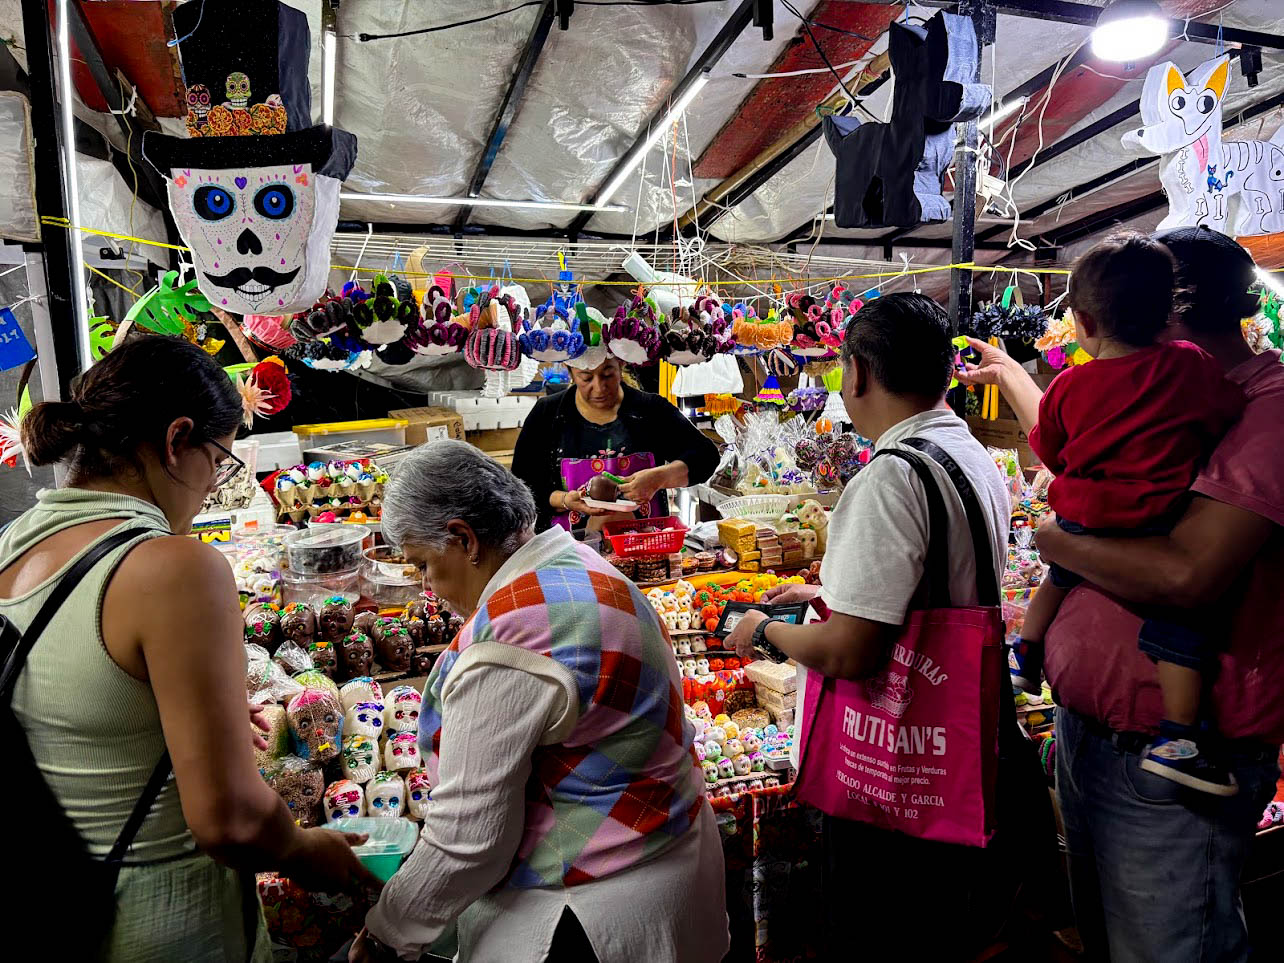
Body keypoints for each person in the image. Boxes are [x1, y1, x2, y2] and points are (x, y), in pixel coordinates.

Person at [959, 226, 1283, 961]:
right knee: (1109, 941)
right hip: (1089, 734)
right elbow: (1087, 429)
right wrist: (1014, 374)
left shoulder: (1262, 407)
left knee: (1168, 947)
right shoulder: (1179, 387)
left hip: (1181, 755)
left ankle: (1029, 650)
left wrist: (1058, 542)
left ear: (1170, 312)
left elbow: (1186, 575)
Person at [1, 337, 376, 961]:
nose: (213, 486)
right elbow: (232, 821)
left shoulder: (12, 546)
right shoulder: (175, 567)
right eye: (222, 461)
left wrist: (208, 722)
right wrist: (311, 853)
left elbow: (75, 714)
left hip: (45, 901)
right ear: (178, 441)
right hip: (157, 925)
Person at [726, 293, 1054, 956]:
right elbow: (942, 582)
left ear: (858, 373)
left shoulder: (889, 478)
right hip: (960, 745)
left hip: (898, 773)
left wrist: (764, 630)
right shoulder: (969, 453)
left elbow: (850, 650)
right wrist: (829, 590)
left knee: (888, 928)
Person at [351, 440, 728, 963]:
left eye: (423, 565)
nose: (427, 587)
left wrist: (388, 932)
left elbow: (469, 840)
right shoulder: (577, 563)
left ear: (463, 538)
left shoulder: (511, 642)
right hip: (671, 870)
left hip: (590, 913)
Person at [1009, 232, 1243, 795]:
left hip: (1083, 516)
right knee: (1181, 626)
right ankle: (1179, 737)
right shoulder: (1190, 367)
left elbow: (1050, 447)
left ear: (1083, 323)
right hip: (1151, 523)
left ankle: (1026, 653)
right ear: (1169, 314)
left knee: (1060, 573)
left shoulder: (1068, 385)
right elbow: (1225, 411)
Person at [511, 344, 718, 533]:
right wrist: (565, 499)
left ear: (621, 364)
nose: (599, 387)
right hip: (569, 554)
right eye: (586, 377)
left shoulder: (650, 410)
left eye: (608, 375)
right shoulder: (548, 414)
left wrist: (660, 477)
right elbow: (520, 488)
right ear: (571, 372)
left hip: (644, 549)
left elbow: (705, 456)